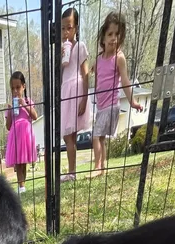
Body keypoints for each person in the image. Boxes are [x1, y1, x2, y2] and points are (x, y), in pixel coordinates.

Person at [92, 11, 142, 177]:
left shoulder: (119, 58)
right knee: (101, 138)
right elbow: (93, 74)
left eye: (117, 34)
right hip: (100, 105)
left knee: (96, 136)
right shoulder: (99, 59)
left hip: (111, 104)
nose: (114, 38)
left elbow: (126, 82)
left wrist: (133, 101)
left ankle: (97, 168)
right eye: (110, 34)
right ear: (104, 37)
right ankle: (102, 168)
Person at [60, 7, 91, 182]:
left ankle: (72, 172)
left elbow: (85, 73)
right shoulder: (63, 48)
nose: (66, 32)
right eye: (63, 28)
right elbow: (63, 70)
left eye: (69, 27)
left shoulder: (80, 46)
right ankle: (71, 171)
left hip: (75, 91)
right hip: (66, 90)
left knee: (69, 135)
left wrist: (84, 99)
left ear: (76, 28)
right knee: (67, 135)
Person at [5, 71, 38, 194]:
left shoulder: (28, 101)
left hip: (26, 135)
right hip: (15, 135)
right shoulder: (11, 105)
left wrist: (24, 104)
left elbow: (35, 116)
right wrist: (9, 111)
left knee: (24, 162)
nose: (15, 91)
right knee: (18, 162)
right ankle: (21, 186)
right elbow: (8, 126)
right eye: (13, 88)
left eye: (18, 87)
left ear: (23, 86)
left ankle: (22, 185)